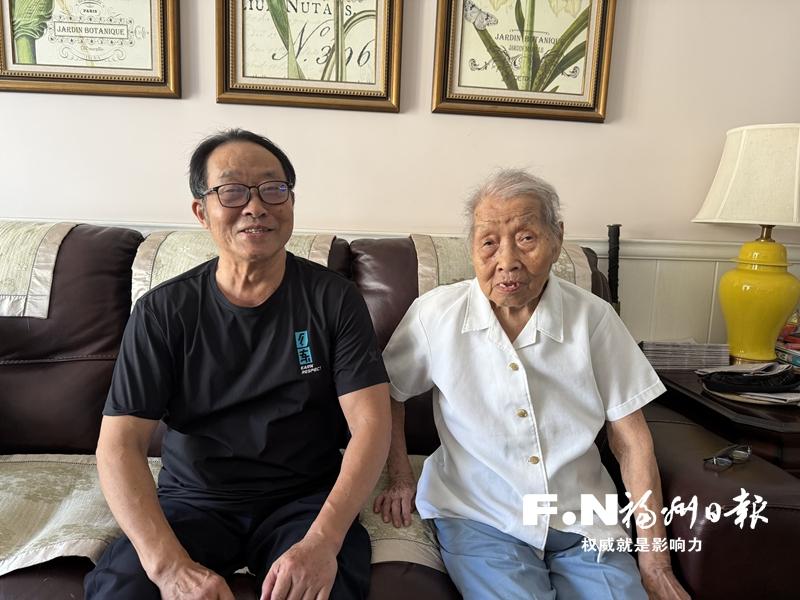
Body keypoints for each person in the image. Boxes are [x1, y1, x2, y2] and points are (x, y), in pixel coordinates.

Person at [85, 129, 391, 600]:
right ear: (201, 211)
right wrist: (169, 569)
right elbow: (119, 445)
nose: (256, 206)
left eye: (273, 189)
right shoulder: (163, 312)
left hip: (304, 501)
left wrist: (323, 540)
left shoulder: (334, 299)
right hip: (194, 501)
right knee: (121, 590)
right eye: (232, 191)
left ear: (291, 202)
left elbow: (371, 424)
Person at [374, 169, 690, 600]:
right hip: (480, 515)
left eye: (526, 238)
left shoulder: (593, 319)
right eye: (489, 242)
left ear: (556, 239)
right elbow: (387, 392)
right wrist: (399, 476)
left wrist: (655, 561)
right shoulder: (436, 315)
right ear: (472, 249)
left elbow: (632, 441)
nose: (507, 261)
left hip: (583, 518)